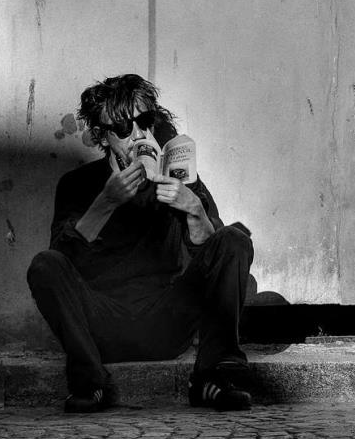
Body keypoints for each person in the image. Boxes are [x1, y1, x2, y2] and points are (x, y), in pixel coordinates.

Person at [27, 73, 255, 413]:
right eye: (121, 128)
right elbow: (59, 264)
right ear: (103, 136)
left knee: (235, 239)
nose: (137, 135)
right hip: (103, 324)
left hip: (166, 319)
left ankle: (213, 378)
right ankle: (90, 382)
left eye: (144, 121)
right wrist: (106, 202)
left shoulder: (178, 177)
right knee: (43, 264)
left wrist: (193, 210)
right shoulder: (78, 184)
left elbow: (213, 256)